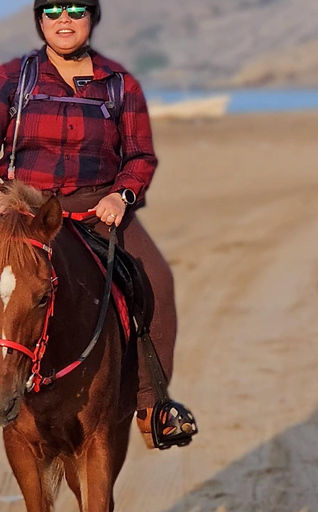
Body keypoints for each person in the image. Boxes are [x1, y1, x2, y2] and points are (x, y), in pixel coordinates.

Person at [0, 0, 196, 448]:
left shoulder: (118, 84)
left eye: (75, 9)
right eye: (52, 10)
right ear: (39, 20)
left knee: (159, 282)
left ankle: (154, 405)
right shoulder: (13, 79)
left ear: (91, 18)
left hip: (96, 208)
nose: (63, 19)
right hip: (25, 211)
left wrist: (120, 194)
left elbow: (140, 157)